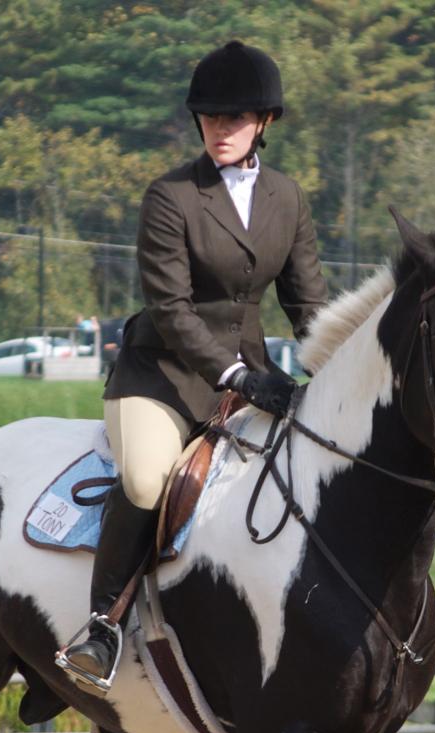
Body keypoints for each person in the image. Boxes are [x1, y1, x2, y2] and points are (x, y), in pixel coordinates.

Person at [56, 40, 328, 690]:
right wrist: (236, 375)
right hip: (162, 378)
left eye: (234, 118)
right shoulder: (171, 195)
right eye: (209, 117)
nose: (220, 129)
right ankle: (100, 624)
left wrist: (346, 369)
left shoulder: (287, 199)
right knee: (149, 481)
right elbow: (172, 310)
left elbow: (309, 303)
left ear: (264, 121)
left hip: (250, 379)